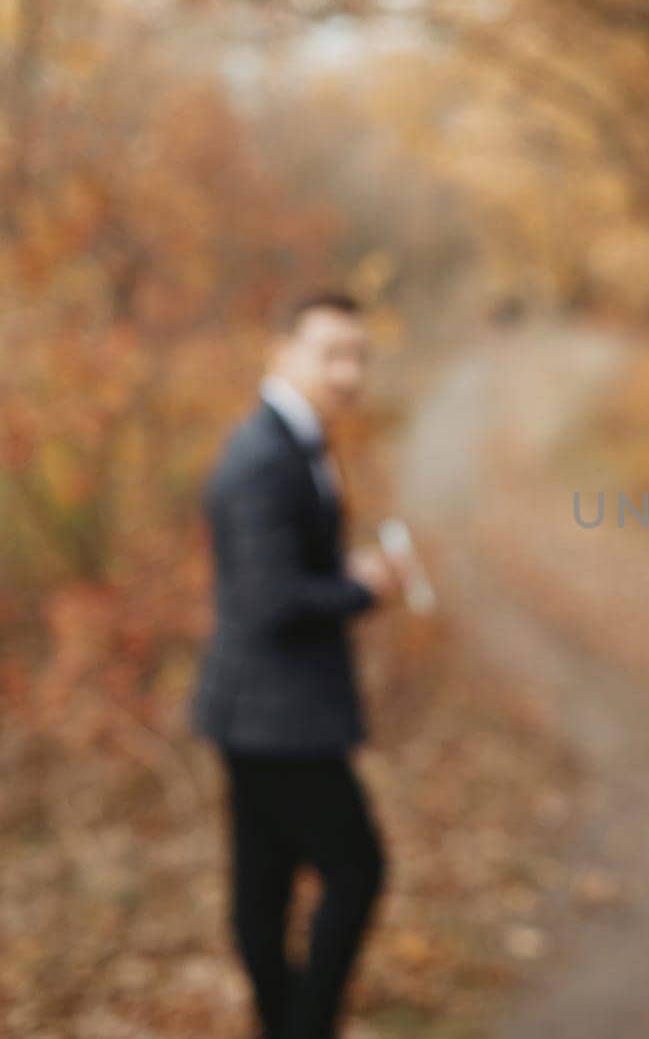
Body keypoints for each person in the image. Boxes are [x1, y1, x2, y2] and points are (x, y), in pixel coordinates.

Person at [192, 292, 407, 1039]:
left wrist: (341, 573)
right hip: (275, 715)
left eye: (358, 355)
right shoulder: (262, 455)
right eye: (332, 352)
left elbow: (276, 571)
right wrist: (363, 586)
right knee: (355, 867)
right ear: (281, 350)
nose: (349, 372)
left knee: (265, 886)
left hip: (267, 709)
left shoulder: (295, 441)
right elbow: (268, 600)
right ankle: (303, 1025)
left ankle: (283, 1022)